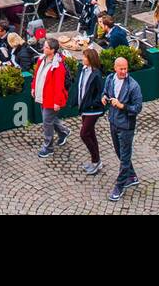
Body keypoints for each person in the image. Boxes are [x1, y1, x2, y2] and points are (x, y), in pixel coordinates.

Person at [102, 55, 144, 202]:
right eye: (121, 69)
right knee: (119, 152)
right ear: (115, 68)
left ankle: (119, 187)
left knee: (124, 157)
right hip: (113, 122)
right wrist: (104, 97)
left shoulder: (133, 86)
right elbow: (106, 92)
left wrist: (122, 106)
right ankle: (131, 176)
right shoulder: (109, 79)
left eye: (125, 69)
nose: (123, 71)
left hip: (126, 126)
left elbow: (137, 108)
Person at [33, 37, 70, 158]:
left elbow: (59, 85)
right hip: (42, 95)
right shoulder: (41, 60)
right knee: (49, 119)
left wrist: (57, 102)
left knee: (47, 121)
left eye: (46, 47)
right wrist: (33, 87)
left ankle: (48, 147)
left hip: (51, 98)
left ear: (53, 50)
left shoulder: (58, 66)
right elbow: (36, 75)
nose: (44, 48)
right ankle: (64, 132)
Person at [75, 46, 105, 176]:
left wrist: (92, 104)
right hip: (84, 108)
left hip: (92, 110)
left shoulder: (96, 74)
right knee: (91, 134)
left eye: (85, 57)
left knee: (84, 134)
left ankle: (96, 160)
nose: (83, 59)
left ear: (90, 59)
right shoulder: (83, 70)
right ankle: (96, 161)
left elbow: (100, 92)